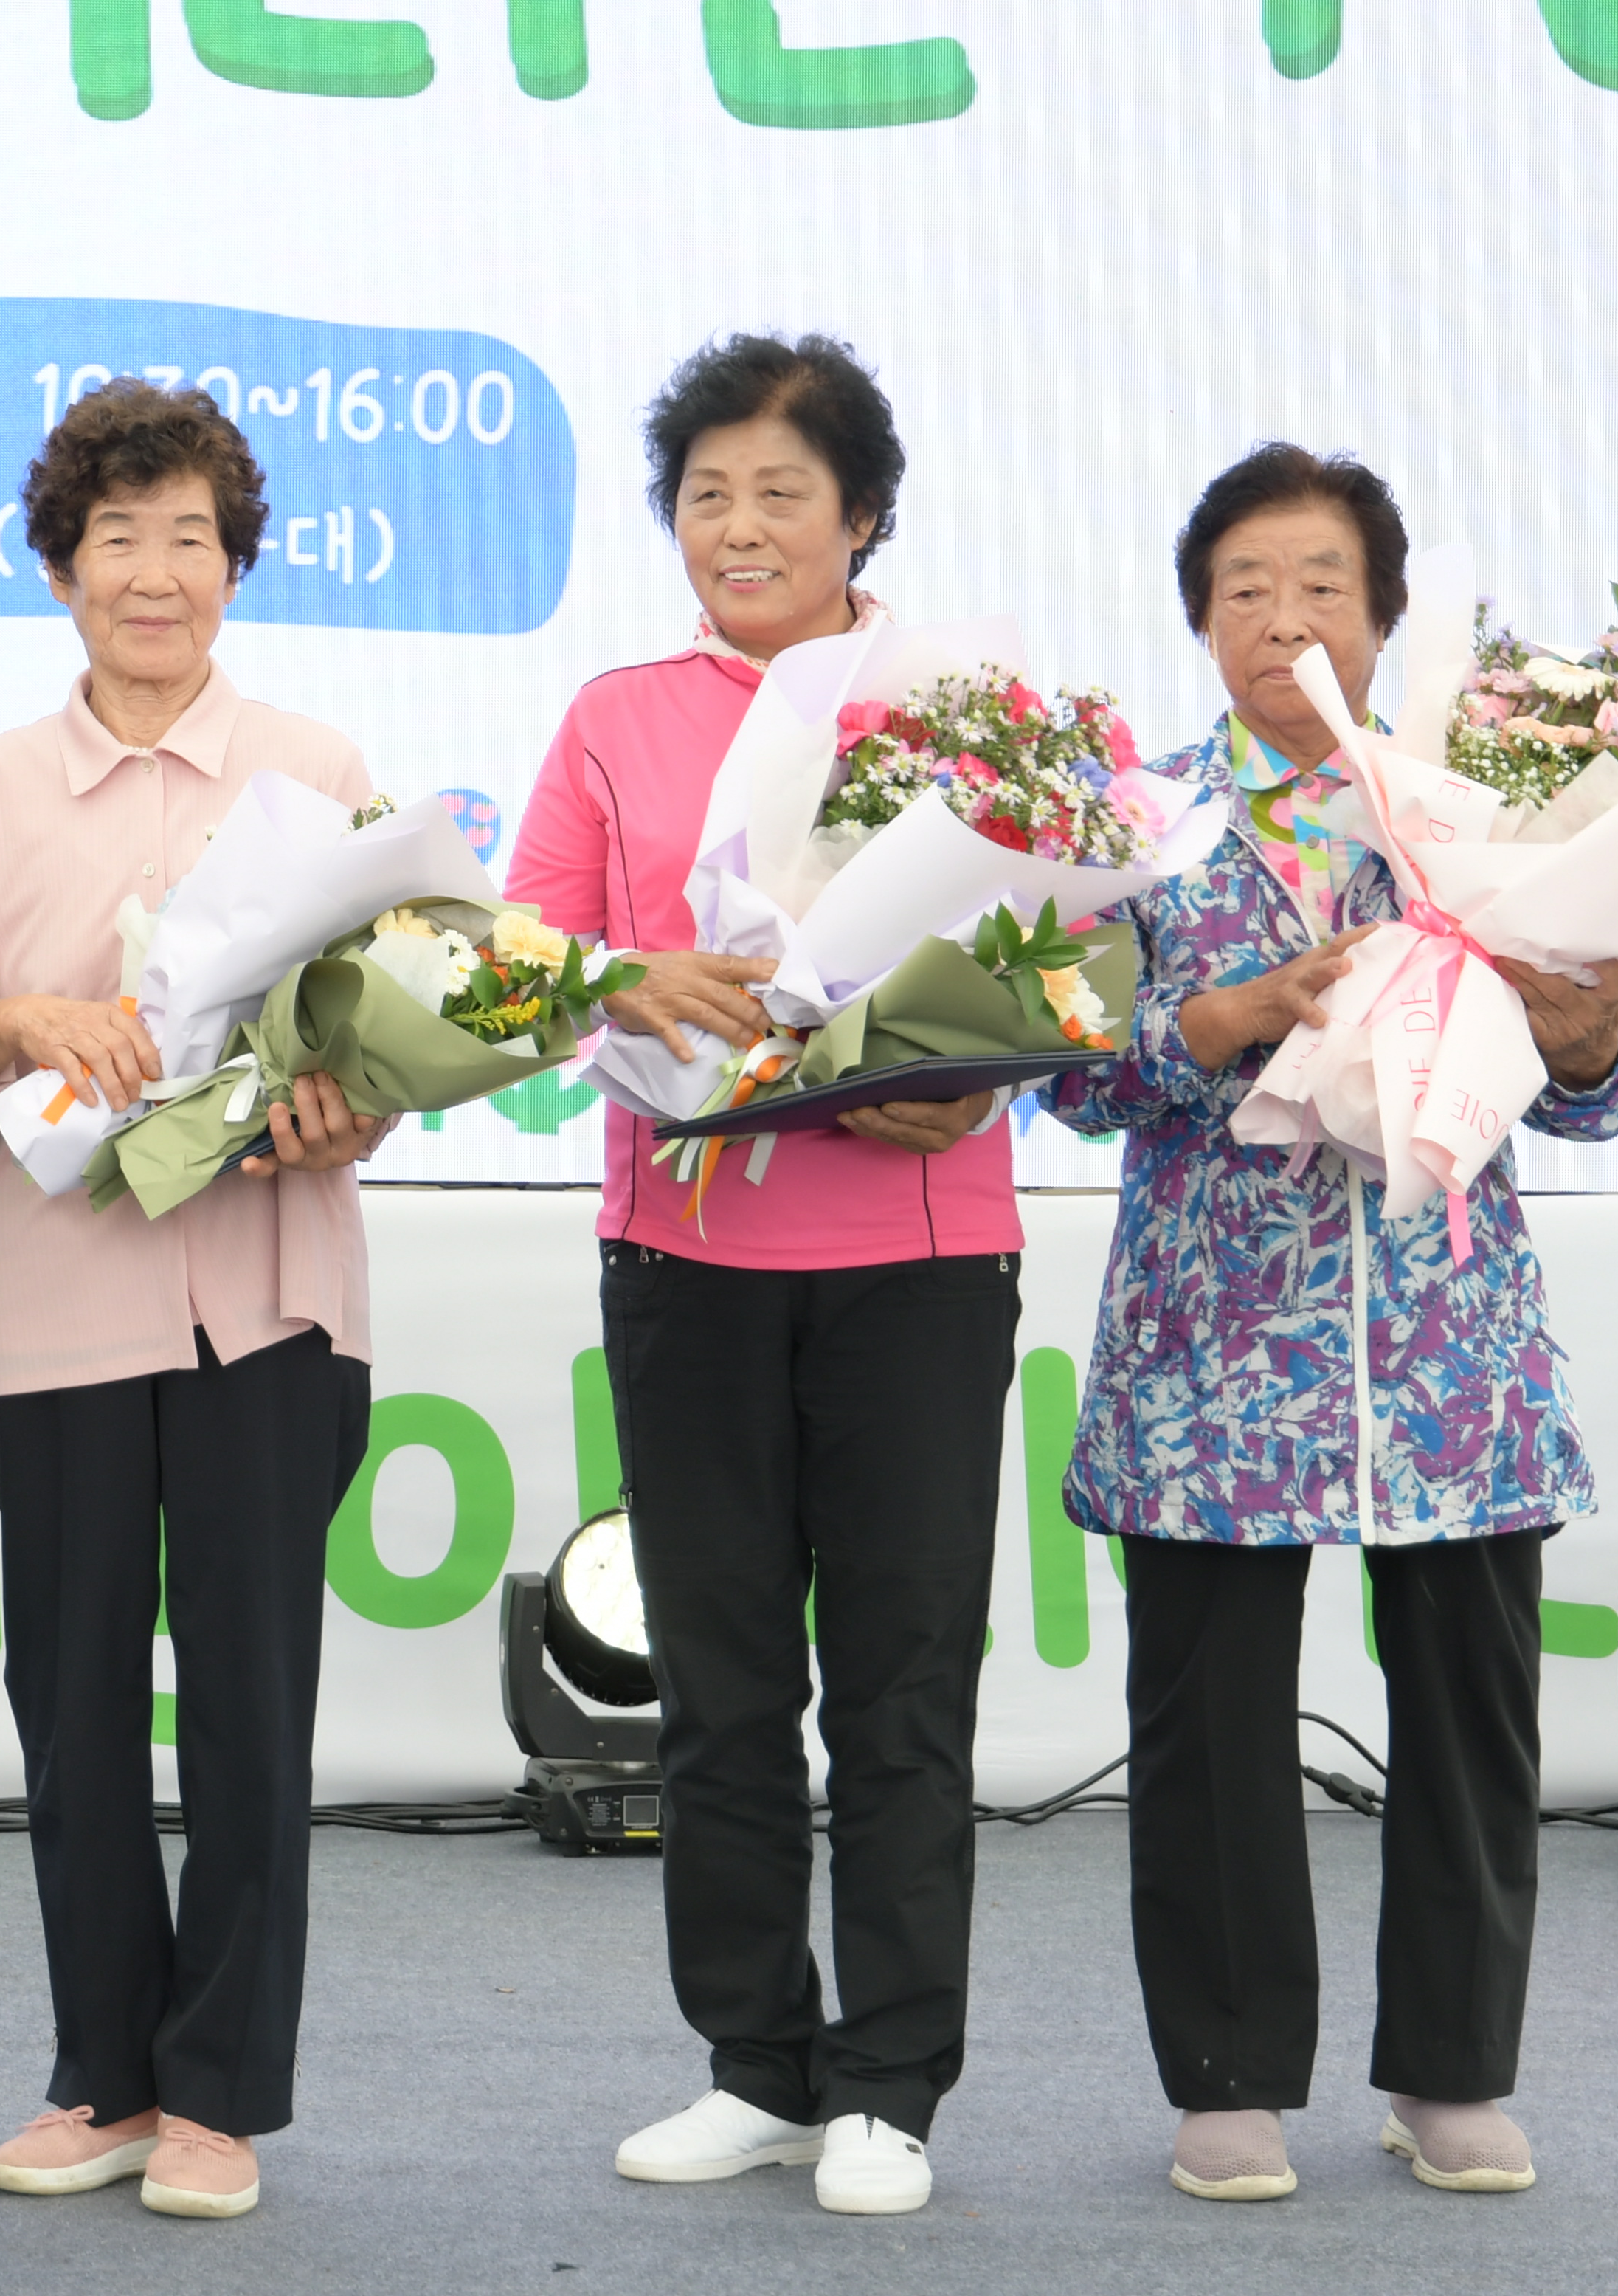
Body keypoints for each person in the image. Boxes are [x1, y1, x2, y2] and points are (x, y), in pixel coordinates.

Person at [1047, 444, 1618, 2204]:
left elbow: (1595, 1092)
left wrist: (1589, 1032)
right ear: (1199, 619)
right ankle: (1228, 2074)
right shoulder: (1134, 822)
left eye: (1322, 584)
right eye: (1246, 586)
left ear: (1384, 618)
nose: (1284, 615)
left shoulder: (1484, 812)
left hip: (1446, 1341)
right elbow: (1069, 1076)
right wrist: (1219, 1017)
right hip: (1213, 1346)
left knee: (1470, 1713)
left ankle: (1451, 2069)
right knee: (1210, 1719)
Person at [502, 333, 1015, 2221]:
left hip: (920, 1259)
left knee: (901, 1685)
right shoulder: (617, 715)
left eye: (781, 490)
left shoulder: (967, 716)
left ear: (862, 513)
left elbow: (1069, 955)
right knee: (720, 1688)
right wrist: (618, 979)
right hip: (686, 1252)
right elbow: (518, 958)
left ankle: (889, 2082)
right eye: (706, 492)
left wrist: (973, 1066)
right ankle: (756, 2061)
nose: (740, 524)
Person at [0, 384, 390, 2225]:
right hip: (61, 1314)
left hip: (271, 1304)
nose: (155, 572)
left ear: (234, 566)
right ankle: (103, 2072)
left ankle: (220, 2093)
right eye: (118, 537)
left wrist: (353, 1103)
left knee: (252, 1705)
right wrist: (13, 1022)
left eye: (190, 537)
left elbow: (395, 1025)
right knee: (73, 1705)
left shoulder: (315, 767)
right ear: (61, 568)